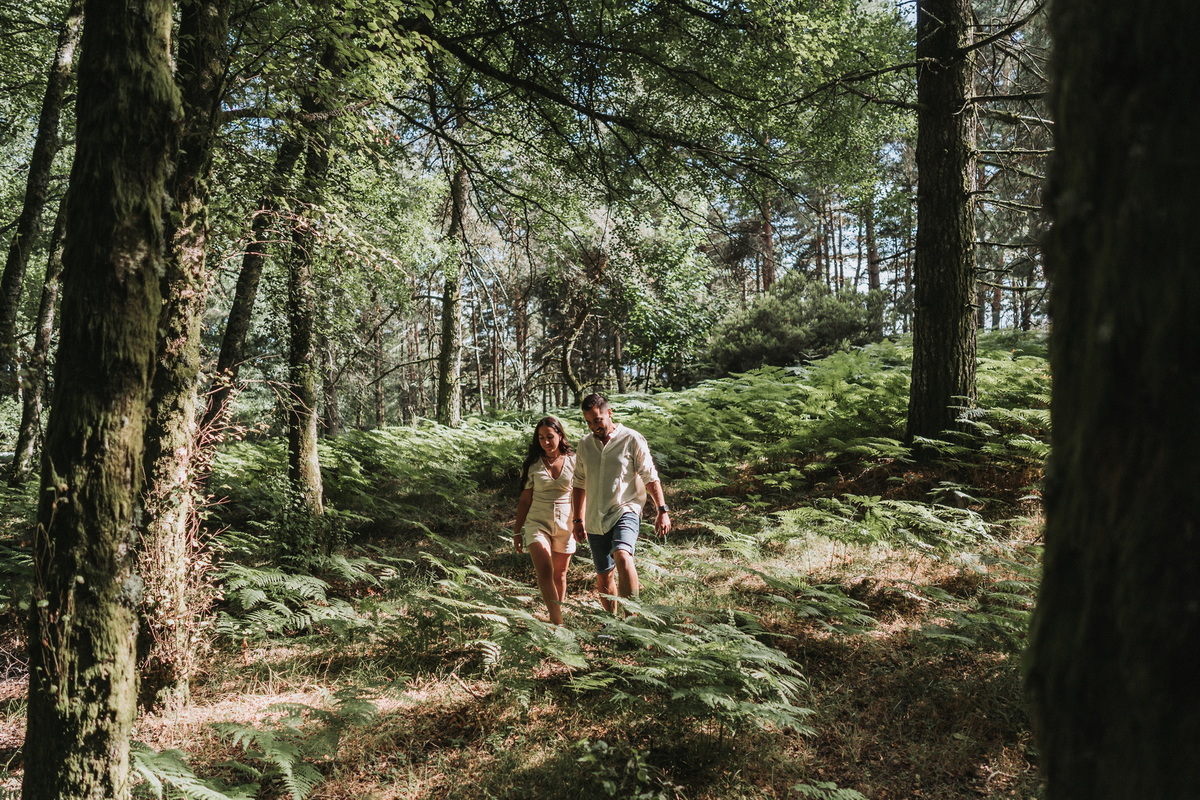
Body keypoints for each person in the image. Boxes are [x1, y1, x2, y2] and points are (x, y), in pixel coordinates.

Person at [571, 393, 672, 613]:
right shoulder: (585, 445)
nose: (593, 427)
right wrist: (577, 519)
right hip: (594, 518)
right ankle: (612, 623)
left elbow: (649, 475)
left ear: (609, 413)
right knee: (604, 574)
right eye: (588, 422)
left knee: (623, 555)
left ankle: (632, 619)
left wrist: (661, 510)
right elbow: (578, 482)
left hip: (625, 509)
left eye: (597, 420)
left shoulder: (631, 438)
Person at [512, 416, 577, 625]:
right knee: (545, 570)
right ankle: (557, 622)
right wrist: (517, 530)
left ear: (560, 435)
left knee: (560, 575)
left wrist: (581, 521)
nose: (545, 442)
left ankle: (559, 612)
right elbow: (525, 499)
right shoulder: (533, 464)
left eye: (550, 437)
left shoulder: (575, 461)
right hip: (537, 522)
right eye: (540, 438)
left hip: (566, 523)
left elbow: (582, 494)